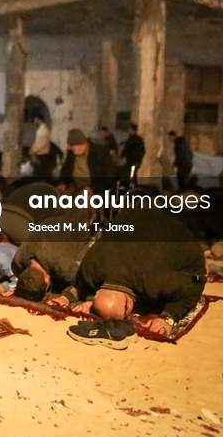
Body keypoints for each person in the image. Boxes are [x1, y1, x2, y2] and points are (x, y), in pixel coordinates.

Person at [51, 209, 207, 336]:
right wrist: (80, 298)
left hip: (174, 233)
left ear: (129, 303)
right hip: (131, 218)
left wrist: (168, 318)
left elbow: (194, 287)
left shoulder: (154, 282)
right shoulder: (91, 266)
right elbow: (81, 282)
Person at [58, 129, 116, 195]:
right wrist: (63, 182)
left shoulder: (99, 152)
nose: (69, 148)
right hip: (75, 186)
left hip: (95, 189)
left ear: (79, 144)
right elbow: (66, 169)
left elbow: (109, 176)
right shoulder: (71, 153)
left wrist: (92, 187)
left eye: (71, 145)